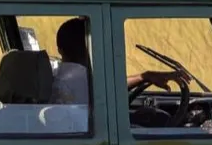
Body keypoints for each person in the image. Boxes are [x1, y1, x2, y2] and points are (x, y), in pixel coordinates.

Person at [51, 17, 190, 104]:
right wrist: (145, 76)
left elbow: (109, 87)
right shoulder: (80, 80)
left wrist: (144, 76)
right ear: (93, 47)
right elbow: (109, 88)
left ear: (60, 50)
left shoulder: (58, 77)